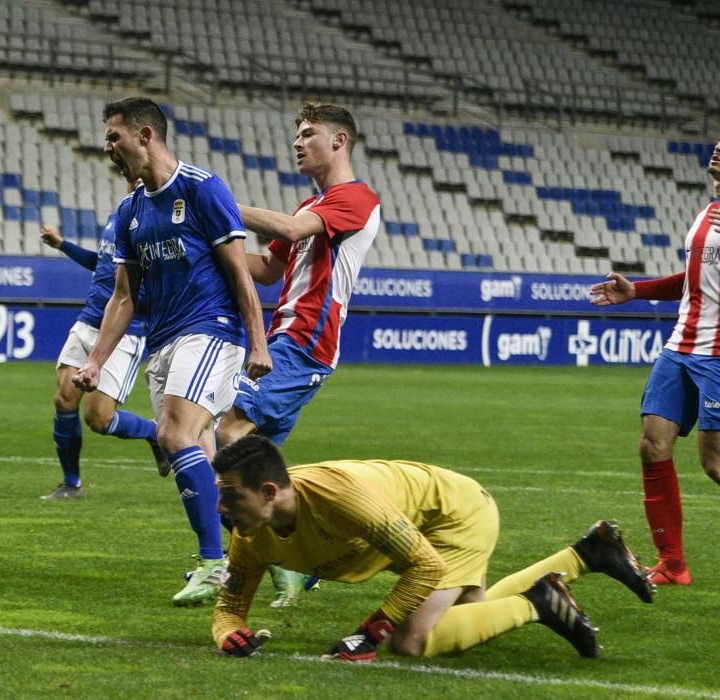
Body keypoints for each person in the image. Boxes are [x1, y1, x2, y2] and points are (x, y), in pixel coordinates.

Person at [72, 97, 273, 606]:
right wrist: (96, 361)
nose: (107, 146)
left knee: (172, 434)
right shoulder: (129, 210)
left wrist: (258, 339)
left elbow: (238, 271)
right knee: (208, 460)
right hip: (161, 341)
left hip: (209, 329)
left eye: (114, 136)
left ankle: (213, 565)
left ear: (145, 135)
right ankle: (274, 553)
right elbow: (123, 295)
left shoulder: (202, 188)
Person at [211, 435, 655, 661]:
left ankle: (538, 603)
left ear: (269, 492)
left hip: (451, 516)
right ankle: (587, 553)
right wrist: (227, 633)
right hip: (421, 528)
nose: (221, 507)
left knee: (411, 641)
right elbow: (230, 605)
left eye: (230, 495)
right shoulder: (249, 534)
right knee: (470, 616)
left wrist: (370, 633)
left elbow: (424, 563)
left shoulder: (339, 499)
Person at [215, 102, 381, 607]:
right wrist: (203, 243)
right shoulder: (312, 206)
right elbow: (266, 268)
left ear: (339, 142)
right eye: (298, 134)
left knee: (229, 434)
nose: (297, 142)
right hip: (286, 340)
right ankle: (295, 562)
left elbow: (287, 233)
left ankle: (229, 561)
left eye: (309, 134)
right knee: (264, 469)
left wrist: (213, 203)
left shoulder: (356, 198)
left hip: (307, 345)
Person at [589, 139, 720, 587]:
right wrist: (638, 291)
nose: (717, 149)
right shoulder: (709, 212)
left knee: (715, 463)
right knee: (652, 444)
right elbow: (696, 279)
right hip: (680, 347)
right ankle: (673, 564)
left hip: (717, 355)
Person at [38, 177, 169, 500]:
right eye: (131, 176)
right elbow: (102, 263)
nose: (137, 180)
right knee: (63, 399)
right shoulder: (120, 216)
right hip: (87, 321)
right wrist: (63, 245)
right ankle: (72, 484)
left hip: (123, 332)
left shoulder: (159, 226)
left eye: (143, 176)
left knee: (98, 418)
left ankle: (155, 433)